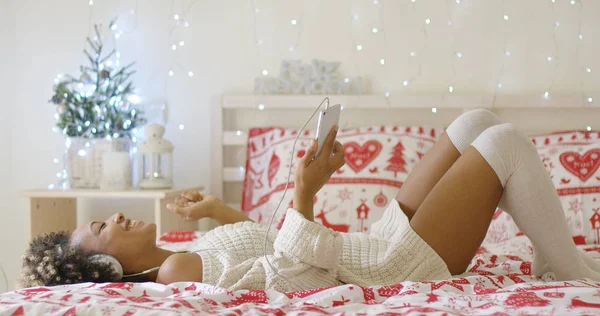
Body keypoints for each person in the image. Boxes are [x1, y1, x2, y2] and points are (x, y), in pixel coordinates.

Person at [19, 109, 600, 290]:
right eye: (100, 226)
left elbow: (258, 249)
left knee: (475, 121)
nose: (115, 216)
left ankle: (552, 258)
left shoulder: (179, 253)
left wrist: (215, 213)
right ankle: (571, 270)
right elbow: (294, 276)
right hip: (394, 268)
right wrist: (303, 190)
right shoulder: (173, 270)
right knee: (501, 144)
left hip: (374, 243)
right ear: (101, 265)